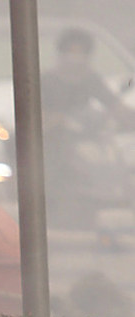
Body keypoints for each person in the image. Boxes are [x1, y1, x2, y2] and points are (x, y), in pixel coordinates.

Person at [41, 27, 135, 226]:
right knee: (54, 163)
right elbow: (37, 113)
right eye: (71, 52)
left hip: (86, 136)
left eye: (80, 52)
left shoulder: (91, 79)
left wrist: (128, 118)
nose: (76, 57)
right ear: (62, 53)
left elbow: (113, 104)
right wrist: (56, 120)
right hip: (55, 137)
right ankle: (54, 201)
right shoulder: (48, 81)